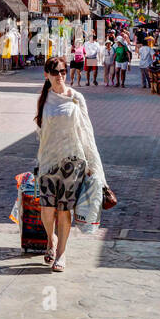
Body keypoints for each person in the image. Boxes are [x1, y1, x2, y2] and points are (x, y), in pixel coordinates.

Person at [34, 56, 105, 273]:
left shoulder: (76, 98)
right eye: (55, 72)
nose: (60, 76)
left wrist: (93, 164)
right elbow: (41, 131)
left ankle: (61, 254)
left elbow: (87, 131)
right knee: (47, 209)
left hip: (73, 162)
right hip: (47, 161)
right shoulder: (44, 99)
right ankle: (51, 239)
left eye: (63, 71)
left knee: (64, 211)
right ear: (46, 75)